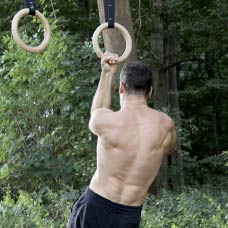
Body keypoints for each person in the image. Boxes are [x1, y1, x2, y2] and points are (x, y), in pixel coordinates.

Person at [67, 53, 176, 228]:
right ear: (150, 92)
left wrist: (107, 74)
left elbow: (96, 112)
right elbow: (169, 148)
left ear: (121, 88)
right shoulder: (166, 126)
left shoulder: (108, 121)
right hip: (128, 217)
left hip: (95, 208)